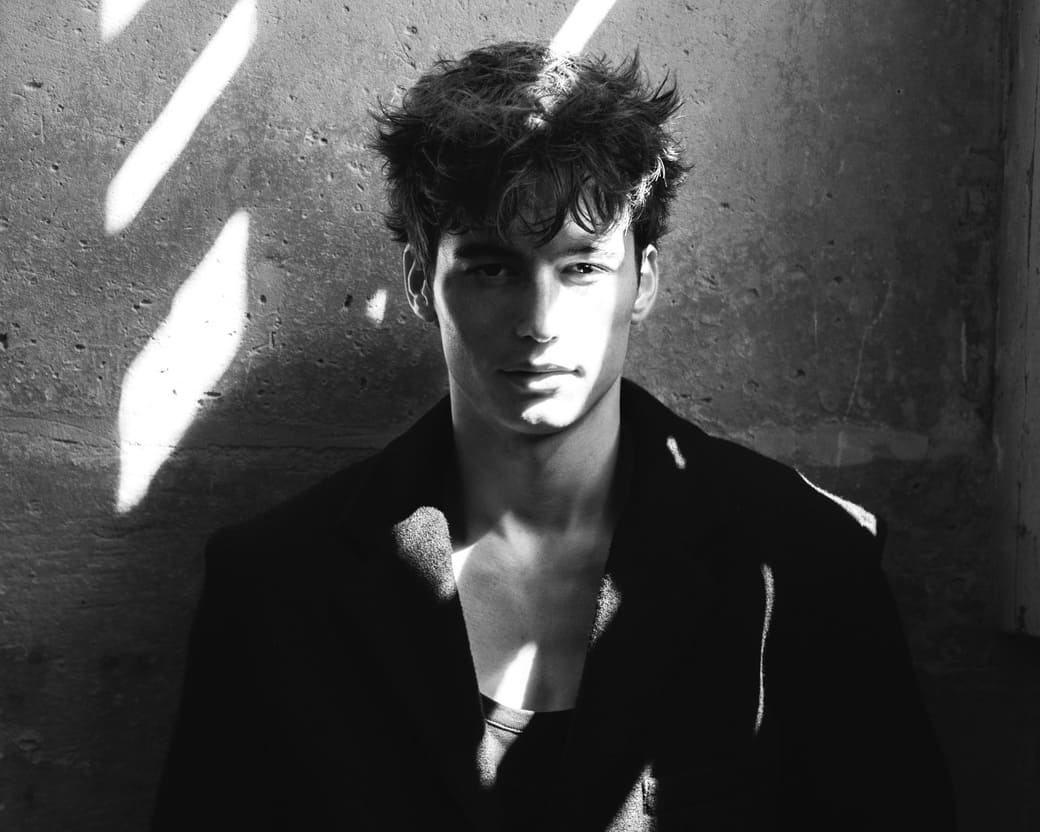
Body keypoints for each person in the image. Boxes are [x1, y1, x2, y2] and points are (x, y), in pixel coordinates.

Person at [152, 41, 955, 831]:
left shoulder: (806, 557)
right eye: (493, 268)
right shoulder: (278, 587)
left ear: (644, 279)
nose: (538, 323)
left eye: (581, 267)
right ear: (420, 283)